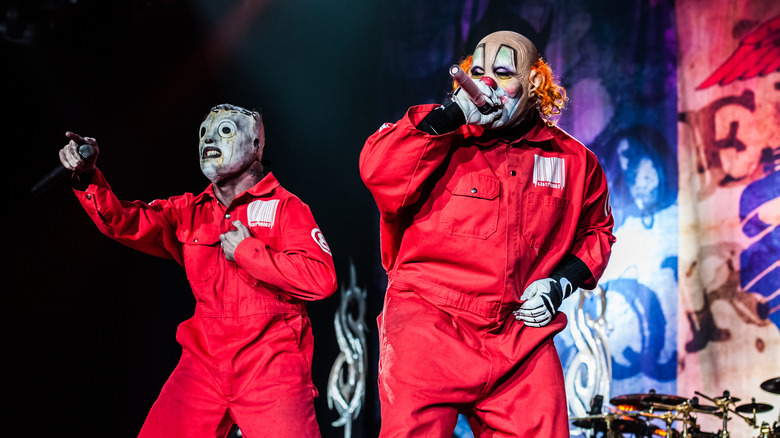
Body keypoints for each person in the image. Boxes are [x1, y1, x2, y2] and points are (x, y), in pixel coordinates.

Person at [359, 31, 615, 437]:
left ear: (534, 83)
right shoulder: (436, 131)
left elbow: (598, 232)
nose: (487, 83)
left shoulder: (575, 161)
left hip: (518, 334)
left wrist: (558, 286)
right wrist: (451, 115)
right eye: (477, 72)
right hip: (429, 321)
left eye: (502, 72)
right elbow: (379, 174)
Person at [58, 103, 337, 437]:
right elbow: (123, 220)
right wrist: (88, 176)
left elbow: (321, 279)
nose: (209, 139)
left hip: (270, 365)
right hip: (204, 363)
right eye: (204, 131)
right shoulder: (188, 210)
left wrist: (249, 251)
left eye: (225, 131)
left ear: (256, 145)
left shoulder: (285, 207)